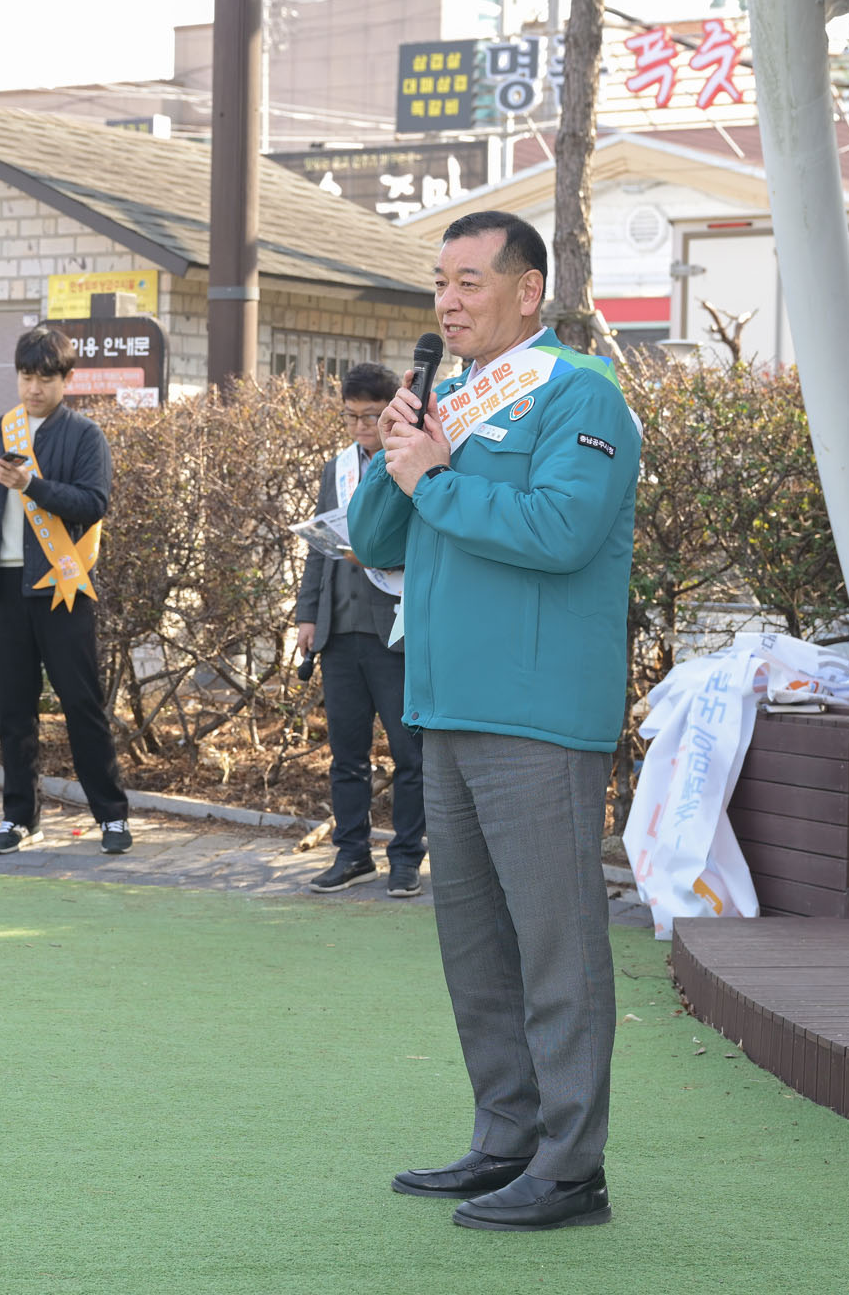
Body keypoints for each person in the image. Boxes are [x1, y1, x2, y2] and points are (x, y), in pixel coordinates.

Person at [348, 209, 640, 1232]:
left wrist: (437, 475)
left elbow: (560, 530)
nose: (448, 300)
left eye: (469, 281)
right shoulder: (452, 397)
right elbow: (376, 538)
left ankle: (571, 1166)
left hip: (537, 710)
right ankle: (507, 1136)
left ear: (528, 290)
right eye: (440, 281)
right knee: (474, 943)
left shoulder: (578, 392)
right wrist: (400, 454)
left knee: (556, 942)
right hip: (447, 701)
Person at [0, 326, 134, 856]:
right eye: (25, 377)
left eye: (45, 378)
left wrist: (30, 485)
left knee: (81, 703)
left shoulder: (84, 435)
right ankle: (20, 818)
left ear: (67, 380)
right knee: (13, 707)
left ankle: (111, 816)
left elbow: (94, 502)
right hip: (3, 587)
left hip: (62, 586)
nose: (34, 388)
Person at [294, 362, 426, 898]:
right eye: (350, 417)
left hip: (393, 627)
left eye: (370, 416)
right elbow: (318, 547)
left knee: (409, 754)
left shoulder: (414, 459)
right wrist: (307, 615)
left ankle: (406, 858)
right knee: (346, 754)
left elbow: (426, 536)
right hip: (339, 626)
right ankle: (352, 853)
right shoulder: (338, 467)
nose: (360, 427)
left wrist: (375, 552)